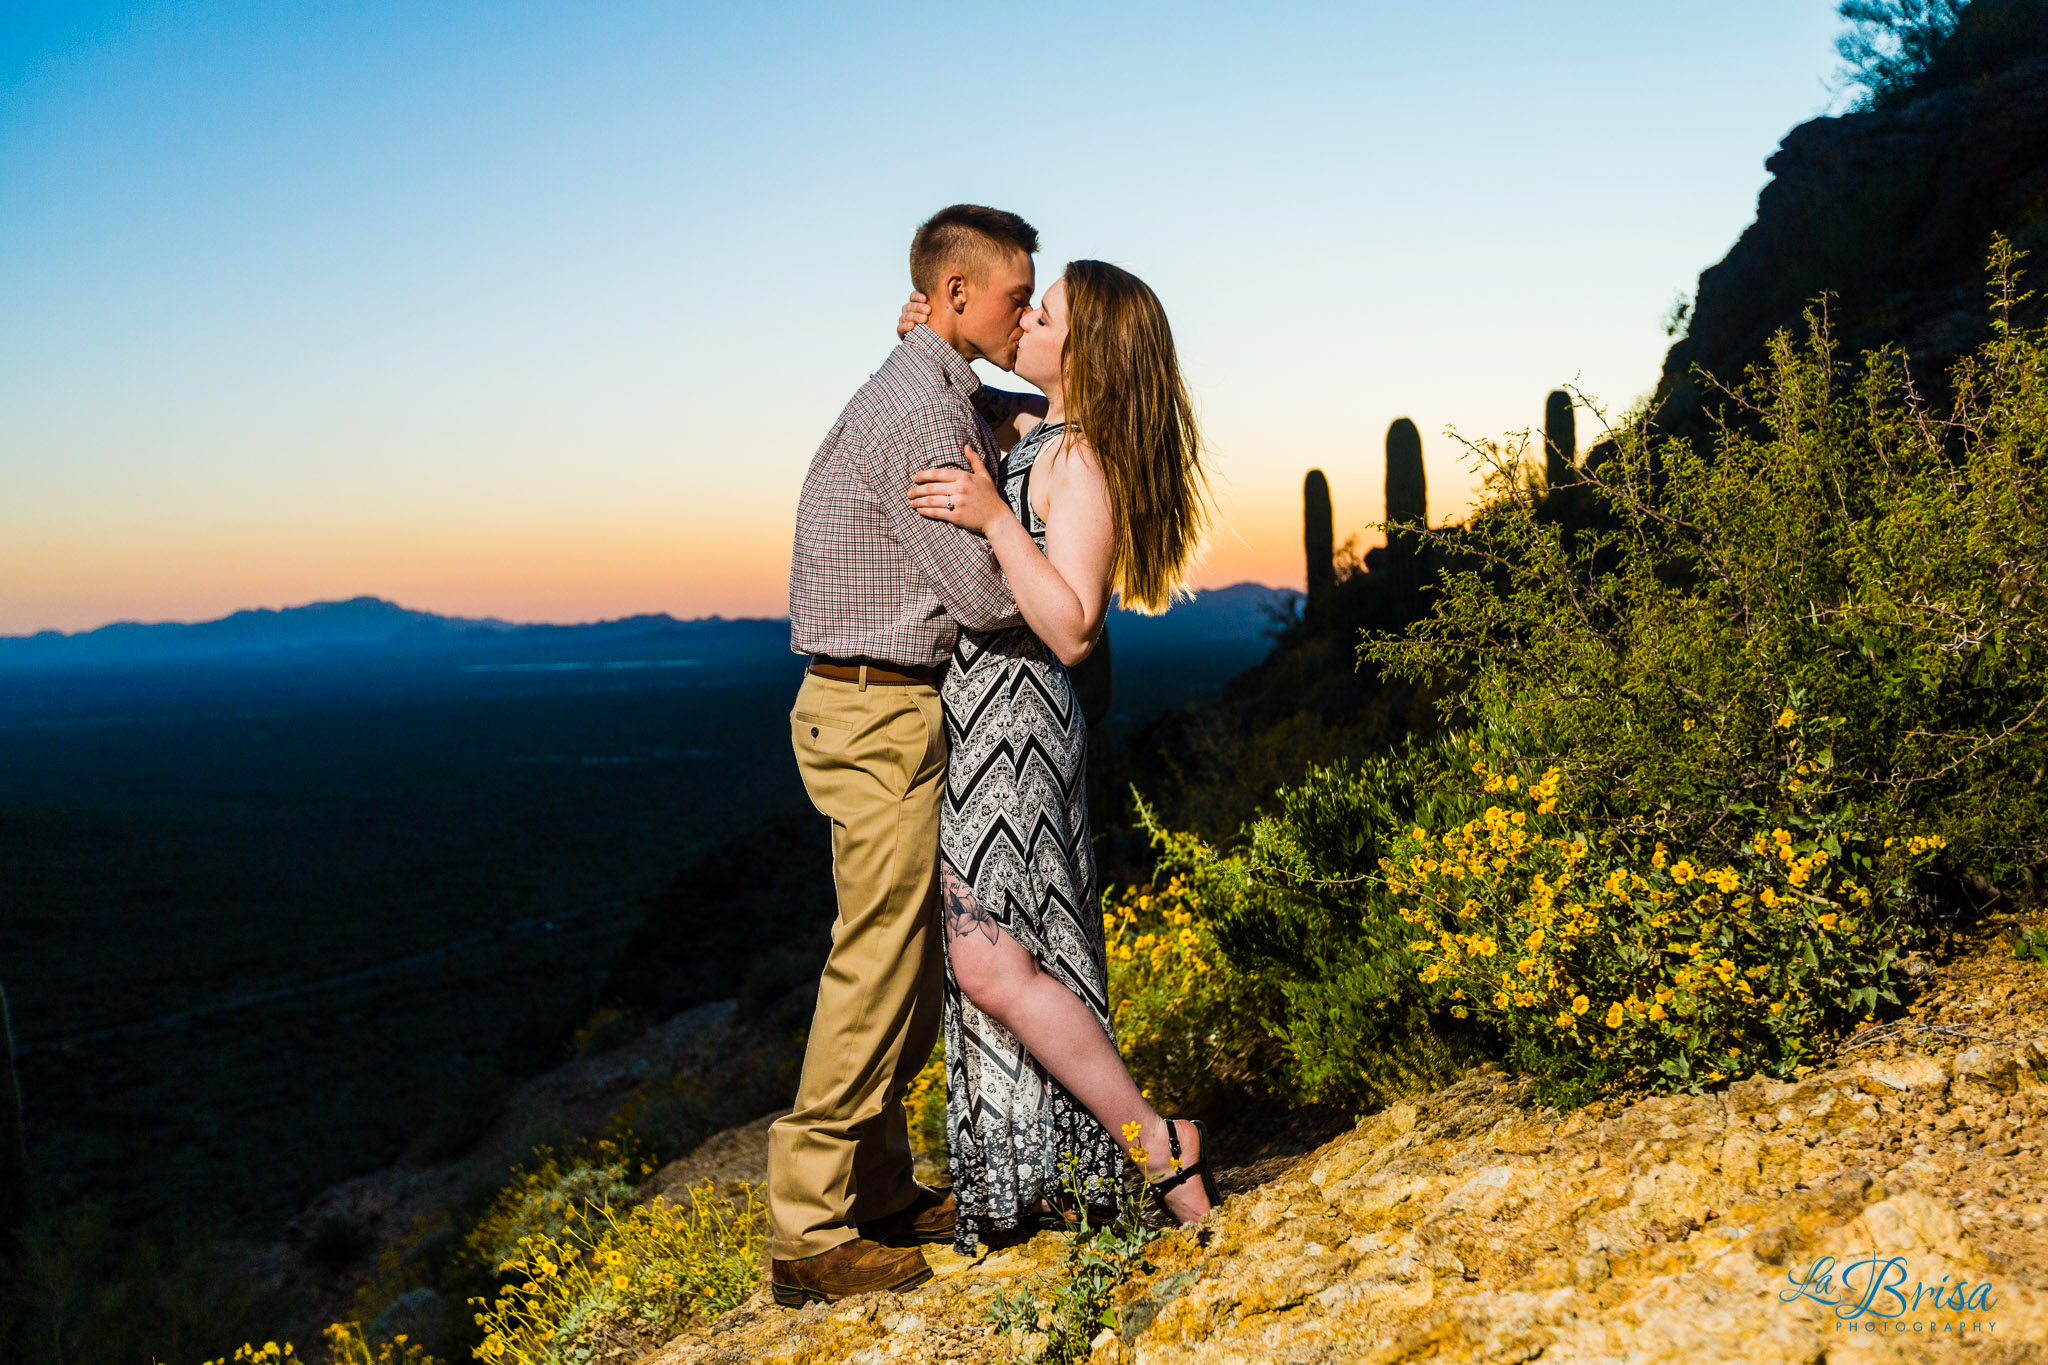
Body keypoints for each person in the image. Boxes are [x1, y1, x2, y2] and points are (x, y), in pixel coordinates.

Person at [901, 260, 1222, 1252]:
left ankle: (1155, 1144)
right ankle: (1105, 1164)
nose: (1023, 319)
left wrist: (995, 520)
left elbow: (1074, 626)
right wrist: (931, 335)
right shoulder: (1032, 426)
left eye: (1042, 315)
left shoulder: (1077, 459)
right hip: (976, 717)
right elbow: (967, 390)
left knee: (986, 962)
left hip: (1021, 722)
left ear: (1081, 355)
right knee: (995, 960)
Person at [772, 204, 1050, 1306]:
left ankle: (878, 1184)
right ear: (950, 297)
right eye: (1012, 296)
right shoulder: (925, 416)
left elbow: (986, 397)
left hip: (876, 709)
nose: (1024, 310)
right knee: (875, 963)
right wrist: (1007, 525)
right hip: (876, 714)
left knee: (905, 958)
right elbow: (982, 597)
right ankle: (806, 1229)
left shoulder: (929, 384)